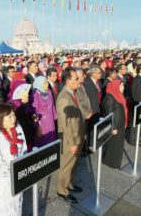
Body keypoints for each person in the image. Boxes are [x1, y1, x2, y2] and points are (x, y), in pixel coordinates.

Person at [0, 103, 27, 216]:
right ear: (0, 119)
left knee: (17, 204)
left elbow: (24, 149)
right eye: (9, 117)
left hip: (18, 174)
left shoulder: (18, 128)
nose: (13, 119)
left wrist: (23, 168)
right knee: (3, 206)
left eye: (14, 115)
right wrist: (13, 173)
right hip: (3, 179)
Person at [56, 68, 85, 204]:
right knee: (66, 164)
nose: (78, 80)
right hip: (69, 139)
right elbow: (65, 124)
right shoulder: (63, 98)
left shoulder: (73, 93)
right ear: (68, 81)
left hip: (77, 134)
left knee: (73, 163)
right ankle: (62, 190)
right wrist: (73, 142)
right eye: (76, 78)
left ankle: (69, 183)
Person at [102, 80, 127, 169]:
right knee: (113, 145)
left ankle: (116, 162)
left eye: (123, 86)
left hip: (120, 124)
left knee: (119, 145)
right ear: (115, 87)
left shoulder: (119, 95)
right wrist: (113, 127)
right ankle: (110, 162)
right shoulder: (109, 97)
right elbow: (109, 114)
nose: (123, 88)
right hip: (115, 125)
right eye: (121, 86)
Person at [31, 76, 57, 147]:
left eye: (47, 82)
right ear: (39, 84)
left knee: (52, 144)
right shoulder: (35, 95)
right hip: (42, 124)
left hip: (51, 123)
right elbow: (34, 113)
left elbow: (52, 107)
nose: (47, 84)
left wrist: (55, 118)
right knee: (43, 145)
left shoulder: (49, 92)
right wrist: (37, 127)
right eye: (44, 83)